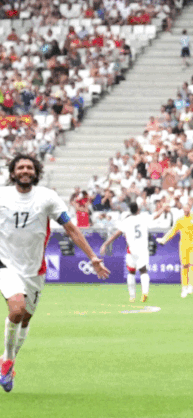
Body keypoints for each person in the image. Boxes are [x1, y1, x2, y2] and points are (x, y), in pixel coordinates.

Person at [1, 154, 110, 393]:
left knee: (26, 319)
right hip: (5, 264)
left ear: (36, 172)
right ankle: (7, 360)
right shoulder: (2, 196)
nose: (25, 170)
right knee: (17, 309)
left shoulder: (47, 198)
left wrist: (92, 256)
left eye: (29, 167)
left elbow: (70, 228)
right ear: (13, 172)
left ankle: (9, 360)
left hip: (34, 269)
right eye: (20, 167)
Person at [100, 200, 153, 302]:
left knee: (131, 272)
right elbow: (155, 216)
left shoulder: (126, 221)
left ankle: (132, 296)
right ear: (138, 209)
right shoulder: (144, 218)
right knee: (143, 271)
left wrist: (105, 244)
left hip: (131, 250)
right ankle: (144, 293)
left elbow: (116, 234)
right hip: (142, 249)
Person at [159, 200, 193, 298]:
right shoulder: (180, 220)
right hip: (183, 246)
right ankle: (184, 287)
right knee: (184, 266)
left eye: (187, 208)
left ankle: (190, 286)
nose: (185, 210)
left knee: (192, 265)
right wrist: (164, 239)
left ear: (190, 209)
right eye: (184, 209)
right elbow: (172, 231)